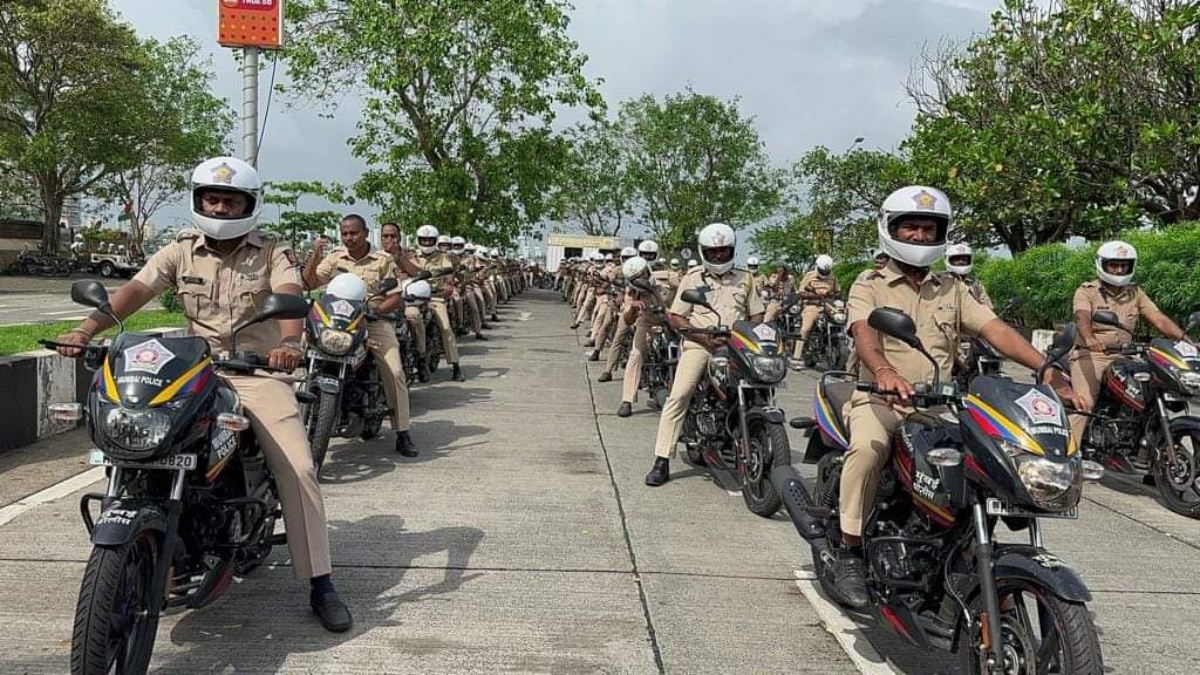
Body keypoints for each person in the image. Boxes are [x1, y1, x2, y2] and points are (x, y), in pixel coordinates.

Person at [54, 156, 353, 632]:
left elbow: (290, 293)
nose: (219, 205)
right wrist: (88, 327)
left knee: (297, 468)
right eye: (212, 197)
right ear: (198, 200)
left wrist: (292, 342)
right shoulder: (180, 250)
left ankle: (320, 581)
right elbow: (136, 289)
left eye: (230, 199)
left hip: (257, 373)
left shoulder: (272, 251)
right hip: (193, 370)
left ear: (248, 205)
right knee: (140, 442)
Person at [832, 185, 1073, 608]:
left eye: (929, 228)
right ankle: (850, 550)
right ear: (891, 230)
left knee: (990, 462)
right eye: (911, 227)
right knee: (868, 450)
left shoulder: (953, 289)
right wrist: (884, 371)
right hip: (881, 400)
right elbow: (864, 332)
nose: (921, 236)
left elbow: (994, 330)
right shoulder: (869, 284)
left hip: (939, 405)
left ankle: (958, 548)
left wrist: (1044, 368)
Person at [645, 223, 764, 486]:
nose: (719, 256)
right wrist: (698, 335)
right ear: (704, 252)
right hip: (699, 344)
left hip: (736, 345)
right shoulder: (693, 277)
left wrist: (757, 332)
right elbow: (676, 316)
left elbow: (756, 314)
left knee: (759, 386)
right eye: (714, 252)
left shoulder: (746, 278)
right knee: (679, 395)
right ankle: (662, 460)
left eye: (724, 251)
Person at [303, 215, 416, 457]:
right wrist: (315, 254)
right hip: (336, 322)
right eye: (344, 233)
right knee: (301, 350)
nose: (348, 238)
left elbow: (395, 298)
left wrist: (374, 310)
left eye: (353, 233)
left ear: (365, 233)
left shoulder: (383, 260)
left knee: (394, 370)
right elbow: (310, 282)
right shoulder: (334, 257)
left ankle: (403, 432)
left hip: (373, 321)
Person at [1069, 240, 1188, 454]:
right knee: (1083, 404)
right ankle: (1069, 457)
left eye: (1124, 265)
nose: (1119, 270)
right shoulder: (1087, 291)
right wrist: (1088, 338)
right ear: (1102, 265)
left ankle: (1154, 457)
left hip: (1128, 356)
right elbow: (1082, 316)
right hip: (1093, 355)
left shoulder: (1136, 293)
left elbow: (1158, 319)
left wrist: (1185, 340)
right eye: (1114, 265)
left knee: (1154, 392)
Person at [402, 225, 466, 382]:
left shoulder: (443, 257)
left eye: (429, 240)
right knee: (410, 319)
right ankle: (419, 356)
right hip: (413, 298)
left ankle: (456, 366)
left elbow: (448, 273)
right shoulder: (411, 256)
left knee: (446, 328)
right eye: (423, 239)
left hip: (434, 298)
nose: (426, 242)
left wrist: (448, 284)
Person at [792, 254, 841, 369]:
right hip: (812, 306)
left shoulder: (833, 277)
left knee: (840, 319)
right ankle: (796, 357)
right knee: (805, 329)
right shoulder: (809, 276)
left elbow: (838, 291)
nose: (824, 273)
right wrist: (814, 296)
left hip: (828, 305)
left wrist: (831, 294)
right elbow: (801, 293)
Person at [943, 243, 992, 308]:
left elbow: (988, 309)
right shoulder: (939, 281)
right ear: (949, 260)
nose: (961, 261)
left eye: (964, 259)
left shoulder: (975, 284)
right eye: (957, 259)